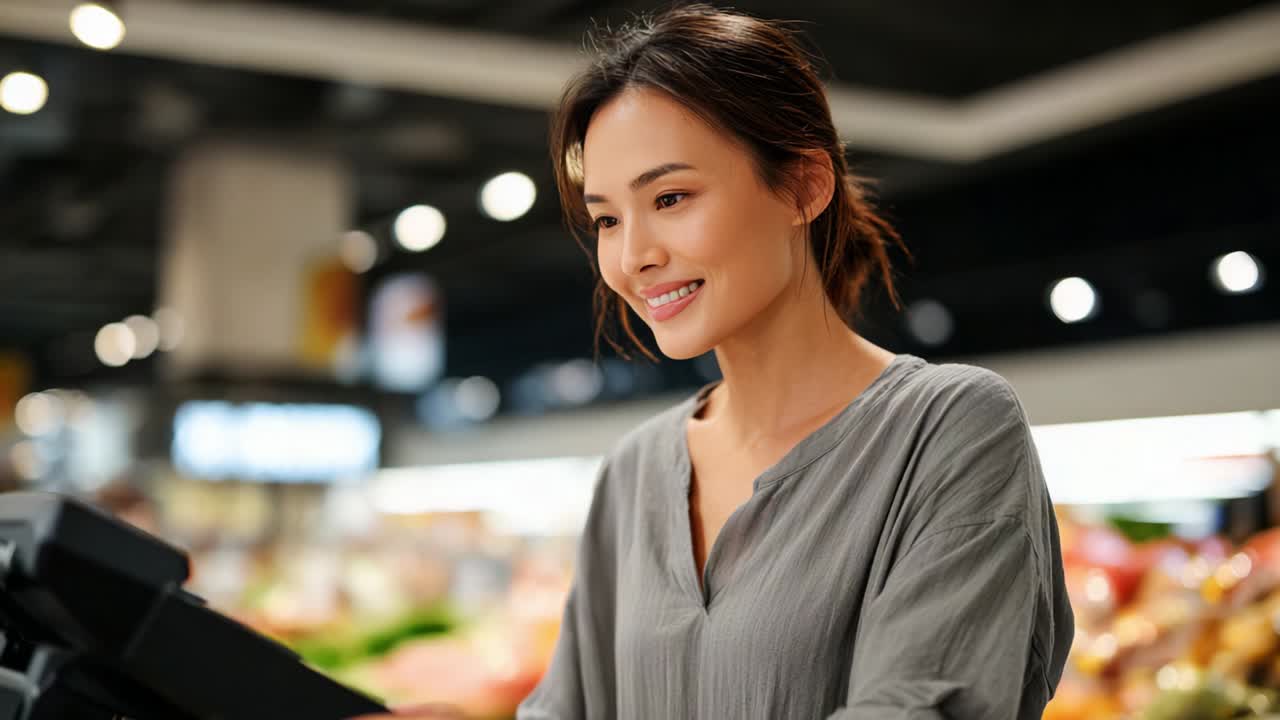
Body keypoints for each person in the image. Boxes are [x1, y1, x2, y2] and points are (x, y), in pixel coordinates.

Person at [354, 4, 1073, 719]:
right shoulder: (635, 472)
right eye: (607, 219)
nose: (633, 257)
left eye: (670, 197)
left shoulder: (949, 429)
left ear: (802, 186)